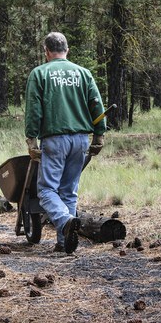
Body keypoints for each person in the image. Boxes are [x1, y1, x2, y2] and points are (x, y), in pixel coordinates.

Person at [24, 32, 106, 254]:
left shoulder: (39, 74)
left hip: (54, 139)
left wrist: (31, 140)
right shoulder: (83, 73)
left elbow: (34, 109)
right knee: (69, 191)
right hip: (80, 139)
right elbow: (96, 105)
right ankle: (64, 242)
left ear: (46, 52)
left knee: (46, 190)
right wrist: (99, 134)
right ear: (67, 50)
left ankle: (65, 220)